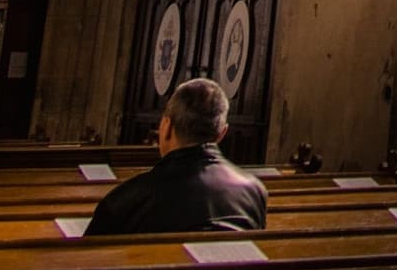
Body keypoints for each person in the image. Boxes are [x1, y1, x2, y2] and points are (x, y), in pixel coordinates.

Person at [85, 77, 268, 236]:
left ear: (166, 127)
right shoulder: (254, 191)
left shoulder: (127, 200)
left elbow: (88, 262)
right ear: (222, 133)